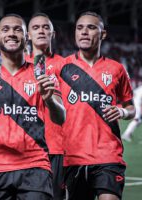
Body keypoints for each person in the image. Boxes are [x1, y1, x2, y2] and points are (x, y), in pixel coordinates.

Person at [0, 14, 66, 200]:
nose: (11, 33)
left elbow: (60, 118)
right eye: (6, 29)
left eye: (18, 29)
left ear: (26, 37)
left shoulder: (43, 74)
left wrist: (49, 99)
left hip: (36, 167)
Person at [56, 12, 136, 200]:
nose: (84, 32)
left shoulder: (117, 69)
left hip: (108, 155)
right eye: (79, 27)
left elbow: (131, 108)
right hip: (73, 156)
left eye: (91, 27)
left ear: (103, 34)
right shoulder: (62, 67)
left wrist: (122, 111)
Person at [25, 12, 65, 200]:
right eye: (35, 27)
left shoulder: (66, 65)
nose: (41, 30)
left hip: (57, 147)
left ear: (53, 33)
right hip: (24, 149)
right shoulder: (17, 65)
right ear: (27, 35)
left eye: (45, 27)